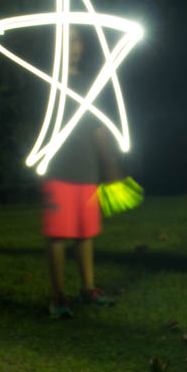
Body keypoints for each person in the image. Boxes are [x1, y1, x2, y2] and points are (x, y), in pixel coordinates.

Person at [42, 26, 123, 319]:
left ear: (83, 45)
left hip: (86, 171)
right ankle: (58, 295)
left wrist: (110, 165)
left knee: (85, 233)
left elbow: (98, 128)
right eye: (65, 41)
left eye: (76, 40)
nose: (72, 46)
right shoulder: (47, 83)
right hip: (59, 170)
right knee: (58, 234)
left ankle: (88, 288)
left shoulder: (90, 84)